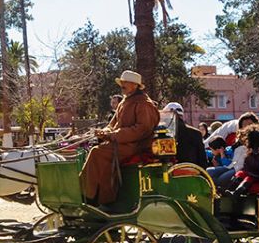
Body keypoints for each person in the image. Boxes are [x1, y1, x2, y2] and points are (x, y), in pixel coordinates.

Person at [80, 70, 160, 205]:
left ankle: (90, 196)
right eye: (121, 82)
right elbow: (112, 124)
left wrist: (114, 135)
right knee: (95, 149)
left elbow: (142, 129)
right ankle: (97, 194)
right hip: (121, 143)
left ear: (135, 85)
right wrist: (103, 132)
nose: (122, 85)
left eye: (125, 83)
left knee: (97, 152)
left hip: (135, 146)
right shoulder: (124, 102)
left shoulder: (144, 103)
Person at [228, 123, 259, 195]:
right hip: (251, 172)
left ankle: (237, 193)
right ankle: (230, 190)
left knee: (248, 179)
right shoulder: (252, 150)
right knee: (240, 174)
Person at [163, 102, 206, 168]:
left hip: (168, 174)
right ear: (182, 115)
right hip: (193, 173)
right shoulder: (196, 133)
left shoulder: (163, 134)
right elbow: (203, 161)